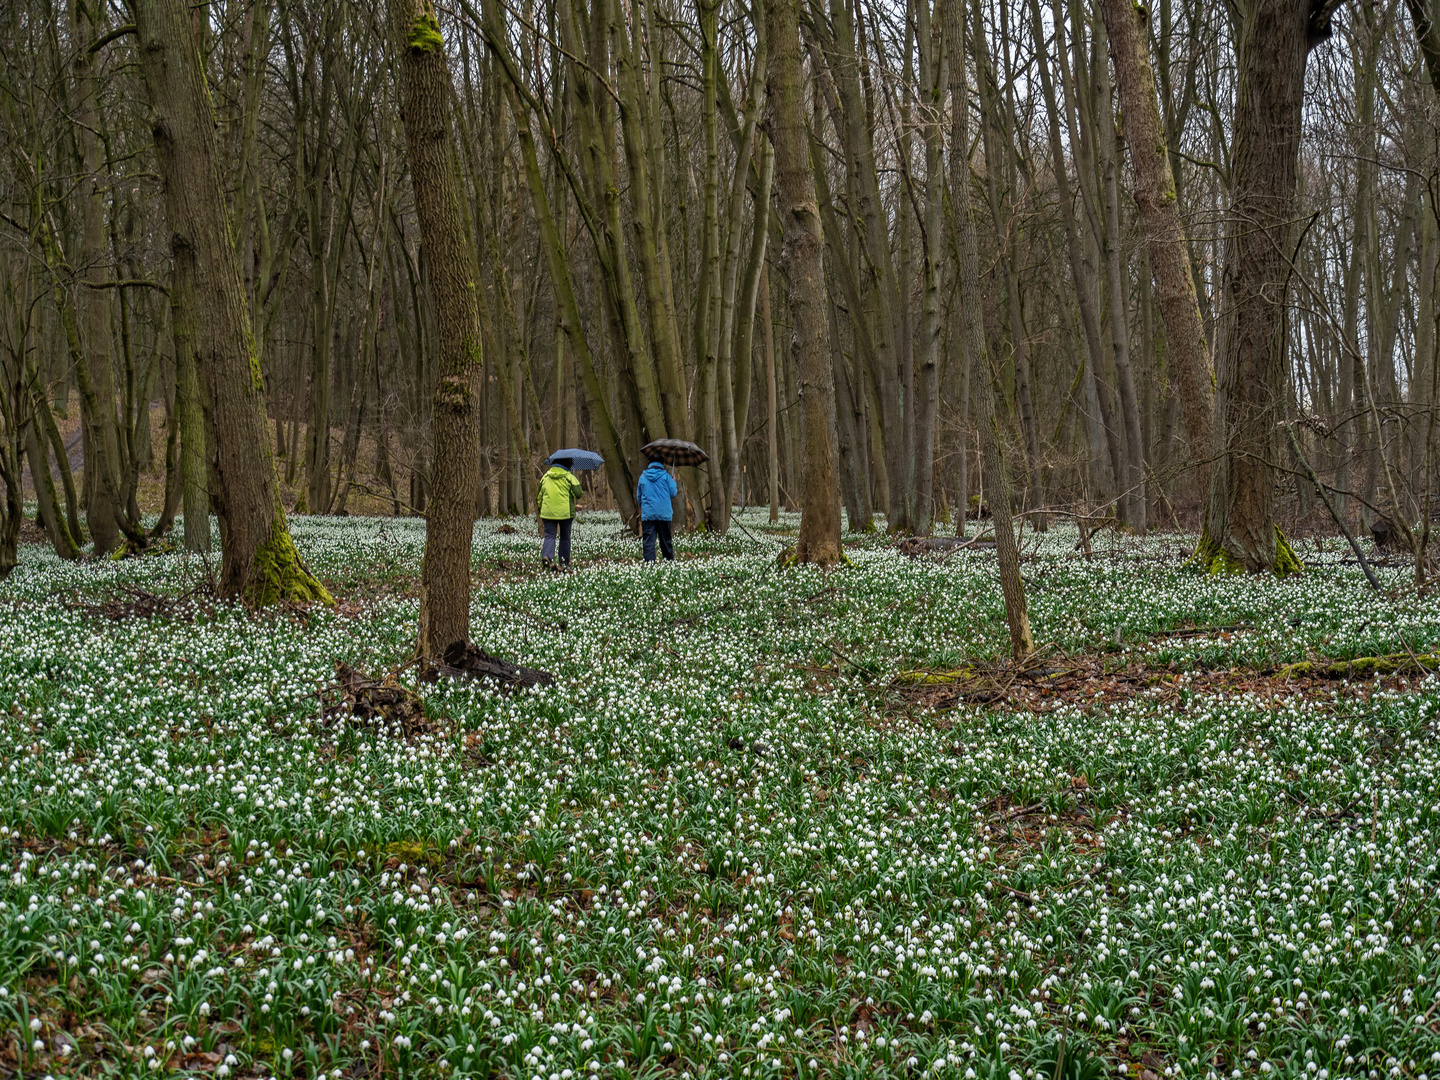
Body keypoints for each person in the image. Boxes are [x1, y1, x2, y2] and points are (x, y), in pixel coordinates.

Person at [537, 458, 582, 570]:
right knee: (565, 538)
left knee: (550, 536)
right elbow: (579, 493)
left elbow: (539, 496)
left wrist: (540, 508)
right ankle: (564, 563)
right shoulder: (569, 477)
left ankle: (547, 556)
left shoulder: (545, 477)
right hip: (565, 513)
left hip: (547, 512)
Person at [636, 459, 678, 562]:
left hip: (648, 514)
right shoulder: (666, 477)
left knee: (649, 541)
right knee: (665, 540)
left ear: (650, 463)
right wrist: (673, 482)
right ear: (662, 463)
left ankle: (650, 564)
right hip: (664, 514)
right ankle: (669, 562)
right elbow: (673, 493)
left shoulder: (643, 477)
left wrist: (645, 508)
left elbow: (638, 497)